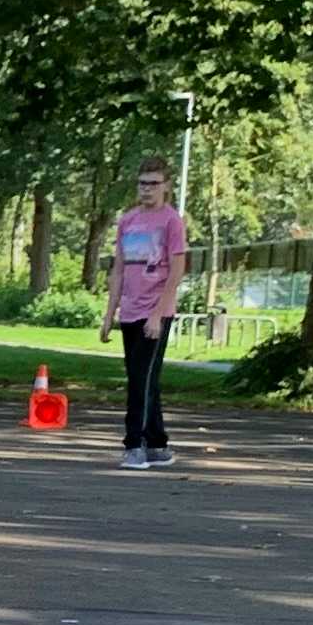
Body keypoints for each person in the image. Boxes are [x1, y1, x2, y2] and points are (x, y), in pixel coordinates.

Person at [105, 159, 190, 468]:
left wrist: (158, 314)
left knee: (140, 380)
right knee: (144, 379)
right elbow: (118, 269)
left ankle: (134, 444)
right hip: (130, 309)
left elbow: (177, 269)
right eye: (143, 183)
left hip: (156, 311)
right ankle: (157, 443)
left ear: (166, 186)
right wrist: (109, 313)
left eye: (154, 183)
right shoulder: (127, 221)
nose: (147, 189)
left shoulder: (171, 222)